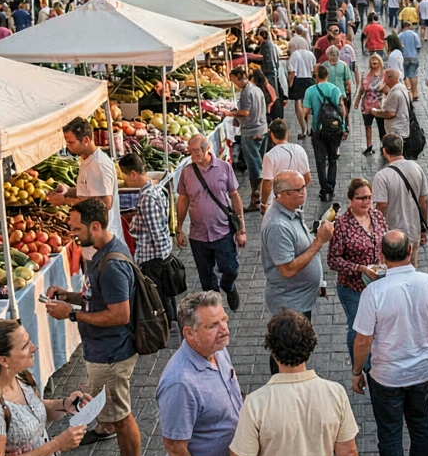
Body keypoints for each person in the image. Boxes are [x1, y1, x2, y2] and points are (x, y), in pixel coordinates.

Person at [43, 199, 141, 456]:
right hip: (103, 351)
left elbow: (120, 315)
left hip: (111, 354)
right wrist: (69, 296)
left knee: (122, 419)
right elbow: (96, 298)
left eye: (77, 228)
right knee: (115, 415)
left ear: (95, 226)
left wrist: (71, 314)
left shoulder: (111, 266)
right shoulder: (105, 253)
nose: (73, 234)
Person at [352, 230, 428, 456]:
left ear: (382, 255)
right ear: (410, 251)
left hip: (387, 376)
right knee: (420, 427)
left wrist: (357, 372)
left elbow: (363, 340)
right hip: (423, 371)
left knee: (390, 434)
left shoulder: (373, 292)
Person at [228, 310, 362, 456]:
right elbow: (348, 455)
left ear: (273, 352)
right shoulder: (335, 393)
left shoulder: (255, 403)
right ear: (310, 348)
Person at [0, 320, 90, 456]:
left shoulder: (20, 377)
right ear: (3, 360)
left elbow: (33, 411)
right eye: (25, 346)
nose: (34, 348)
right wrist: (56, 444)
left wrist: (65, 405)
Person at [157, 292, 242, 456]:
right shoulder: (180, 384)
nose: (225, 329)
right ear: (190, 333)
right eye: (213, 326)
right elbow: (175, 447)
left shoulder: (216, 349)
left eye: (224, 320)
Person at [176, 134, 246, 310]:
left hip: (222, 230)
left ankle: (229, 286)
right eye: (190, 151)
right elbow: (183, 199)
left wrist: (241, 228)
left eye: (196, 151)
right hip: (198, 235)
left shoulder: (224, 168)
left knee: (230, 268)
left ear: (207, 149)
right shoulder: (187, 172)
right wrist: (178, 228)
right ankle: (215, 310)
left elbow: (234, 196)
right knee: (206, 278)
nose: (193, 155)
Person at [327, 178, 386, 367]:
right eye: (361, 198)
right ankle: (360, 367)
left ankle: (376, 360)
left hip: (378, 285)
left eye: (368, 197)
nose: (366, 202)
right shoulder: (342, 225)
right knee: (357, 328)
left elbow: (385, 243)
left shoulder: (377, 216)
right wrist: (359, 268)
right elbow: (333, 260)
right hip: (354, 288)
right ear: (351, 200)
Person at [262, 171, 332, 325]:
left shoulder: (290, 212)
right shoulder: (278, 226)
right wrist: (319, 241)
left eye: (304, 187)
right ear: (285, 194)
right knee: (296, 346)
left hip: (299, 299)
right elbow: (287, 270)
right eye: (300, 189)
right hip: (290, 308)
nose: (304, 192)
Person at [117, 153, 178, 320]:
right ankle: (171, 324)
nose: (125, 181)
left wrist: (161, 260)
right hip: (161, 256)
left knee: (158, 298)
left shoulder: (146, 198)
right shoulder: (157, 189)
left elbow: (156, 231)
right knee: (166, 296)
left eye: (125, 176)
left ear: (133, 174)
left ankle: (166, 328)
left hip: (153, 259)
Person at [372, 133, 428, 264]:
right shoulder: (416, 168)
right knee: (411, 268)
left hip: (391, 235)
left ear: (384, 151)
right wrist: (424, 226)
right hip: (413, 231)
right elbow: (424, 201)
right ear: (401, 149)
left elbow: (382, 205)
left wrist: (376, 229)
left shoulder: (382, 176)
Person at [45, 118, 117, 211]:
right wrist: (68, 192)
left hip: (99, 225)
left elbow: (104, 203)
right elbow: (90, 192)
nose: (67, 146)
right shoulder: (86, 160)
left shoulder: (98, 165)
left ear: (85, 140)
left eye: (71, 142)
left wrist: (65, 201)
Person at [303, 63, 347, 201]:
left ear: (316, 76)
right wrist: (344, 127)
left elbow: (305, 111)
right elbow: (342, 110)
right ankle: (331, 186)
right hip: (335, 129)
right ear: (327, 75)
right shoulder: (335, 89)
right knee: (333, 159)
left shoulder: (310, 91)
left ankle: (324, 190)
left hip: (319, 130)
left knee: (320, 161)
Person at [229, 67, 268, 208]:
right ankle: (260, 196)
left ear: (240, 77)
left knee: (254, 167)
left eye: (234, 81)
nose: (235, 85)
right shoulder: (257, 89)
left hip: (251, 132)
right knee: (259, 163)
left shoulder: (246, 92)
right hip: (262, 129)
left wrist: (232, 114)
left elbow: (245, 112)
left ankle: (256, 199)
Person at [260, 119, 312, 211]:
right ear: (286, 133)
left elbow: (267, 183)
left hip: (277, 202)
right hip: (298, 199)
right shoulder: (300, 150)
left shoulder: (270, 156)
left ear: (271, 134)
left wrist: (263, 203)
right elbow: (307, 177)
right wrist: (297, 191)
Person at [355, 54, 387, 155]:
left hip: (380, 105)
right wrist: (357, 101)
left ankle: (384, 146)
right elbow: (361, 90)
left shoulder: (384, 75)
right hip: (367, 105)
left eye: (376, 59)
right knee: (367, 125)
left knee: (381, 126)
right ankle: (369, 145)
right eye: (372, 59)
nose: (373, 61)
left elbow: (388, 90)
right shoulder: (365, 75)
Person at [286, 39, 317, 139]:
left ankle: (302, 129)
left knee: (298, 104)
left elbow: (292, 72)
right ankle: (309, 126)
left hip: (298, 80)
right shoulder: (311, 54)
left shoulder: (295, 54)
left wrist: (289, 84)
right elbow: (314, 69)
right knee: (309, 104)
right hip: (310, 80)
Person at [371, 69, 411, 142]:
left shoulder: (395, 93)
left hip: (396, 131)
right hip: (402, 127)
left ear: (390, 78)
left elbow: (391, 114)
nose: (384, 81)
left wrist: (376, 112)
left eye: (384, 78)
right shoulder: (402, 87)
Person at [398, 21, 421, 98]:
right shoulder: (414, 34)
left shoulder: (400, 35)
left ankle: (408, 91)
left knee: (405, 75)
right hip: (413, 56)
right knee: (413, 75)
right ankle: (415, 93)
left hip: (404, 57)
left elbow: (398, 47)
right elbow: (418, 46)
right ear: (409, 26)